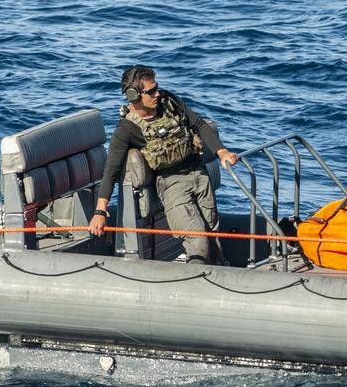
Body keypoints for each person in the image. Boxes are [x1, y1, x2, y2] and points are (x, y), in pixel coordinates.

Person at [89, 66, 239, 264]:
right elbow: (111, 170)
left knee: (213, 238)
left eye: (157, 88)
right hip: (172, 185)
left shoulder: (169, 102)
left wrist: (222, 152)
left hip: (198, 175)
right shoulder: (126, 129)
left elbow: (199, 124)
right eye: (151, 91)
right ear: (134, 95)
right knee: (198, 243)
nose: (157, 94)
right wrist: (100, 211)